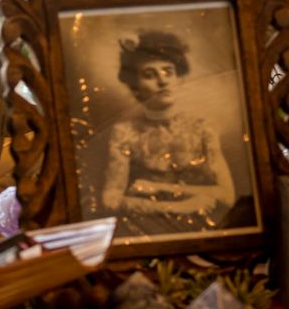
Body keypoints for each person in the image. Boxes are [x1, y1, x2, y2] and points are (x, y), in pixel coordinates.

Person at [97, 30, 237, 237]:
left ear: (179, 80)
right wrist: (178, 207)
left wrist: (156, 187)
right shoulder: (125, 132)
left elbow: (227, 196)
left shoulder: (202, 128)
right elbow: (110, 199)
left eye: (168, 72)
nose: (162, 82)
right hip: (144, 234)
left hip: (206, 233)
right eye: (149, 75)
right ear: (135, 87)